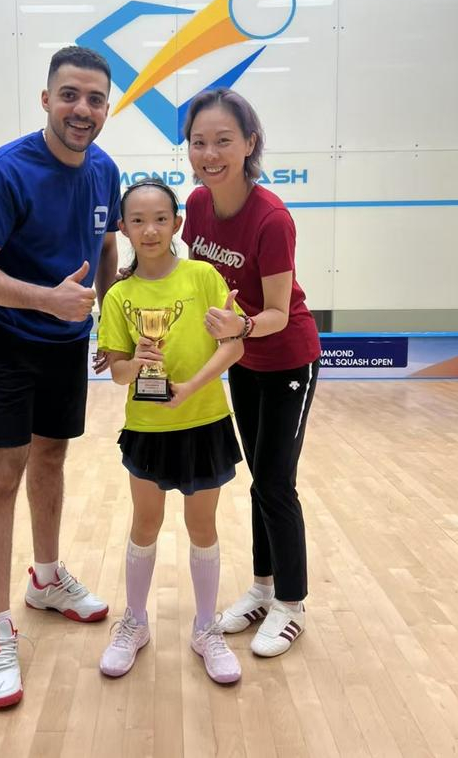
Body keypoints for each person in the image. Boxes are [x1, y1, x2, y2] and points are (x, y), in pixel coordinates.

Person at [0, 46, 121, 709]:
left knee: (52, 456)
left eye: (95, 99)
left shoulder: (104, 169)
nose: (82, 109)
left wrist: (108, 319)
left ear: (106, 108)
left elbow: (105, 244)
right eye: (70, 95)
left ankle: (46, 579)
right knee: (1, 476)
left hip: (67, 342)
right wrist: (46, 300)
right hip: (6, 340)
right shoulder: (2, 171)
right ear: (47, 99)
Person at [181, 88, 321, 658]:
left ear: (249, 144)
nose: (209, 154)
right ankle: (262, 589)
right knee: (259, 477)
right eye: (198, 142)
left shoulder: (271, 218)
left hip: (288, 359)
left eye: (223, 141)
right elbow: (195, 280)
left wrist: (237, 327)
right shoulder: (196, 204)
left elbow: (278, 313)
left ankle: (291, 603)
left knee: (275, 482)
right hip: (243, 359)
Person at [97, 177, 245, 684]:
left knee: (203, 528)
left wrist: (190, 388)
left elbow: (234, 346)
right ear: (123, 228)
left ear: (177, 223)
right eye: (138, 221)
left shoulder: (203, 277)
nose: (150, 230)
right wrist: (137, 362)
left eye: (161, 219)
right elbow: (118, 373)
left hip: (204, 421)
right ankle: (135, 623)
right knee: (145, 524)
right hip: (147, 427)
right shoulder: (119, 296)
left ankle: (206, 628)